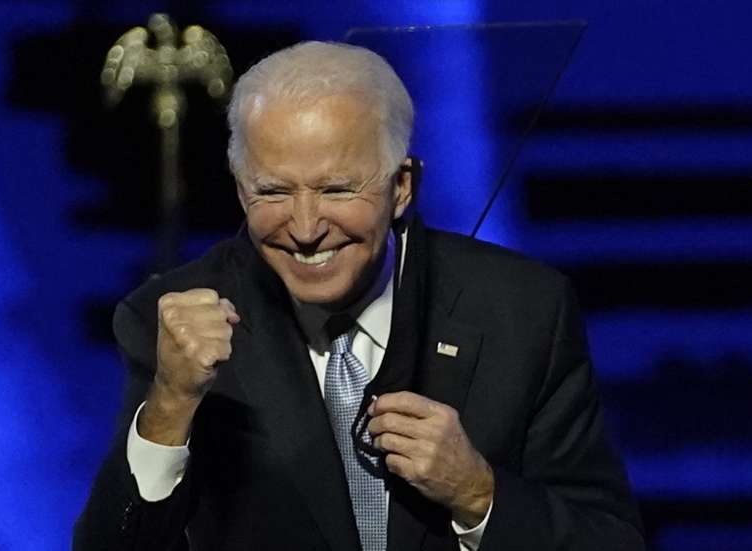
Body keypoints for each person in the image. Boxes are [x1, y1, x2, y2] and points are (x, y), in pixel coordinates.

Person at [74, 41, 644, 551]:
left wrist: (477, 493)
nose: (304, 227)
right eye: (272, 191)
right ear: (238, 185)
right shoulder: (168, 319)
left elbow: (608, 539)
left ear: (402, 187)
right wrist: (171, 404)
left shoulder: (522, 311)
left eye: (337, 189)